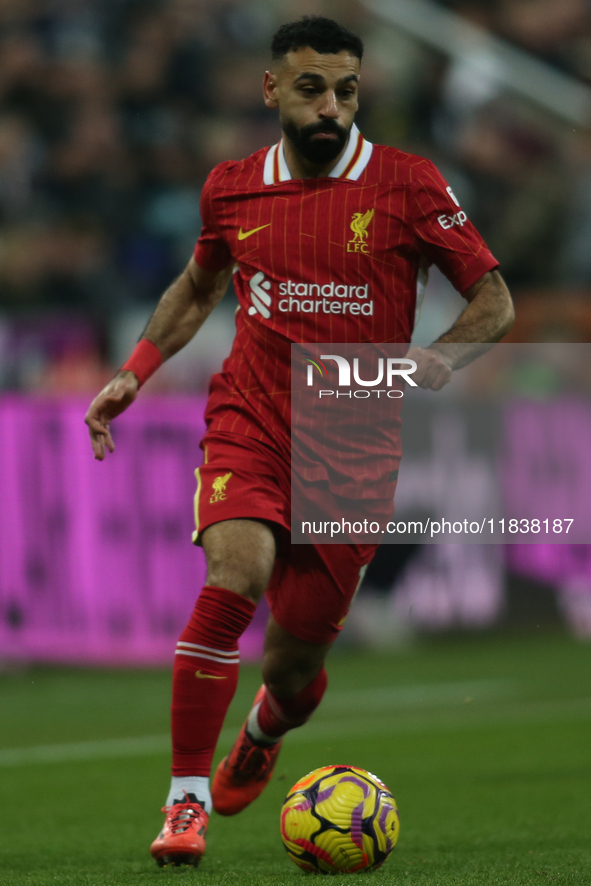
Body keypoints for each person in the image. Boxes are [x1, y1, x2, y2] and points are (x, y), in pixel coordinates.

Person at [85, 16, 514, 868]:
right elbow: (199, 284)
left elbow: (493, 302)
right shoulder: (232, 187)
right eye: (312, 88)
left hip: (353, 444)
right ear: (271, 89)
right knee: (234, 572)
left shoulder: (408, 184)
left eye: (346, 90)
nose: (331, 107)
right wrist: (136, 368)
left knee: (292, 665)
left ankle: (260, 731)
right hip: (251, 413)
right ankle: (185, 803)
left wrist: (434, 361)